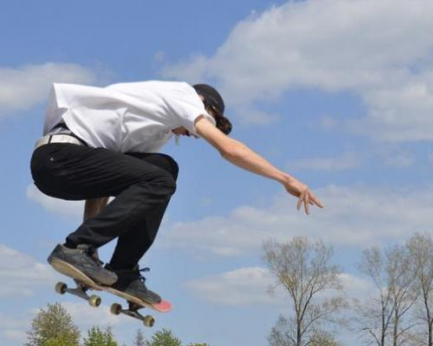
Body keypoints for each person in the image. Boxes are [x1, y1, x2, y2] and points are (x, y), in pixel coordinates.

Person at [31, 81, 323, 304]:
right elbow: (228, 149)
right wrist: (285, 178)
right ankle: (75, 248)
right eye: (208, 120)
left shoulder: (154, 133)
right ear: (202, 104)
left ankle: (123, 271)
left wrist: (90, 257)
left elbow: (102, 188)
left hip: (70, 166)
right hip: (58, 157)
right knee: (160, 178)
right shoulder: (182, 96)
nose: (194, 133)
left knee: (163, 168)